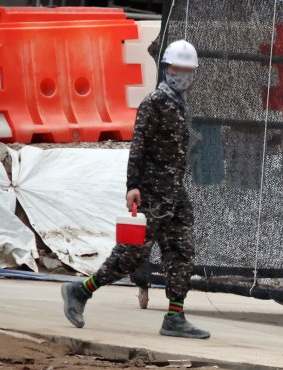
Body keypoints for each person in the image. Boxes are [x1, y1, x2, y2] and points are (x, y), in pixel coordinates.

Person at [61, 39, 209, 339]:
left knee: (182, 251)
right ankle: (80, 290)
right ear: (167, 68)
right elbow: (137, 147)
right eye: (178, 68)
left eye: (189, 70)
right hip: (152, 194)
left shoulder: (180, 105)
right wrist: (133, 186)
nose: (183, 74)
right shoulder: (154, 103)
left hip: (174, 194)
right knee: (131, 255)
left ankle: (175, 316)